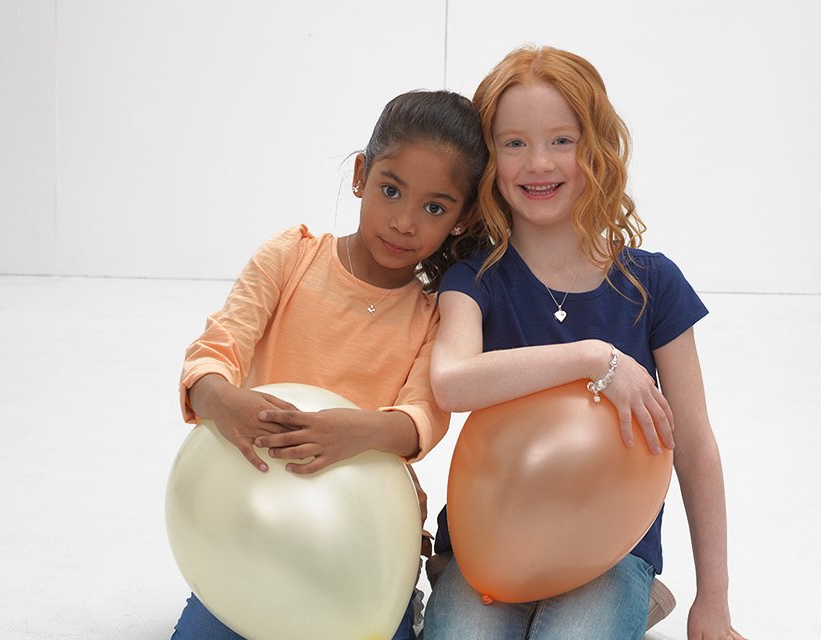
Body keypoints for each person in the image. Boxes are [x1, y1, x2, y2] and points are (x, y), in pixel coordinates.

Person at [423, 46, 747, 640]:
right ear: (487, 159)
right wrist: (595, 357)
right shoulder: (474, 279)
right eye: (513, 143)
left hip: (611, 547)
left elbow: (695, 448)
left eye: (562, 140)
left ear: (594, 148)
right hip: (491, 539)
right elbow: (450, 381)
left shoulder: (653, 284)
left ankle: (638, 596)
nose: (538, 162)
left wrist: (715, 604)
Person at [171, 89, 489, 640]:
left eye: (434, 207)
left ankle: (401, 604)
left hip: (361, 548)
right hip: (251, 525)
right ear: (361, 175)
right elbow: (214, 352)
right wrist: (222, 400)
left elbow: (424, 415)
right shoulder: (290, 258)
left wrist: (358, 431)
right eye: (391, 190)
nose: (405, 222)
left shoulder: (436, 315)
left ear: (461, 220)